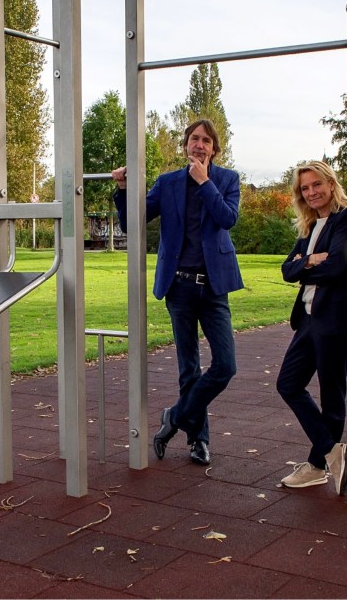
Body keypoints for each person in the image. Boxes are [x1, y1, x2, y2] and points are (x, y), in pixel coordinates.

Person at [111, 118, 243, 467]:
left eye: (206, 140)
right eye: (194, 139)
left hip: (213, 287)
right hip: (179, 286)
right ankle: (198, 440)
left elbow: (228, 218)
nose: (199, 144)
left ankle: (175, 416)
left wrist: (204, 183)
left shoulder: (227, 180)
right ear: (185, 145)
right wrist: (123, 189)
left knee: (225, 366)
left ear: (215, 148)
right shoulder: (168, 182)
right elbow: (132, 222)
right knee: (189, 369)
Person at [276, 160, 347, 494]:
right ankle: (331, 451)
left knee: (332, 395)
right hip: (307, 319)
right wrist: (310, 259)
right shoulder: (309, 227)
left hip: (333, 318)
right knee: (288, 384)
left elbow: (337, 268)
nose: (311, 192)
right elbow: (285, 271)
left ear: (331, 184)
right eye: (305, 188)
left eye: (316, 184)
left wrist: (303, 265)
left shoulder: (345, 219)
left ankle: (318, 466)